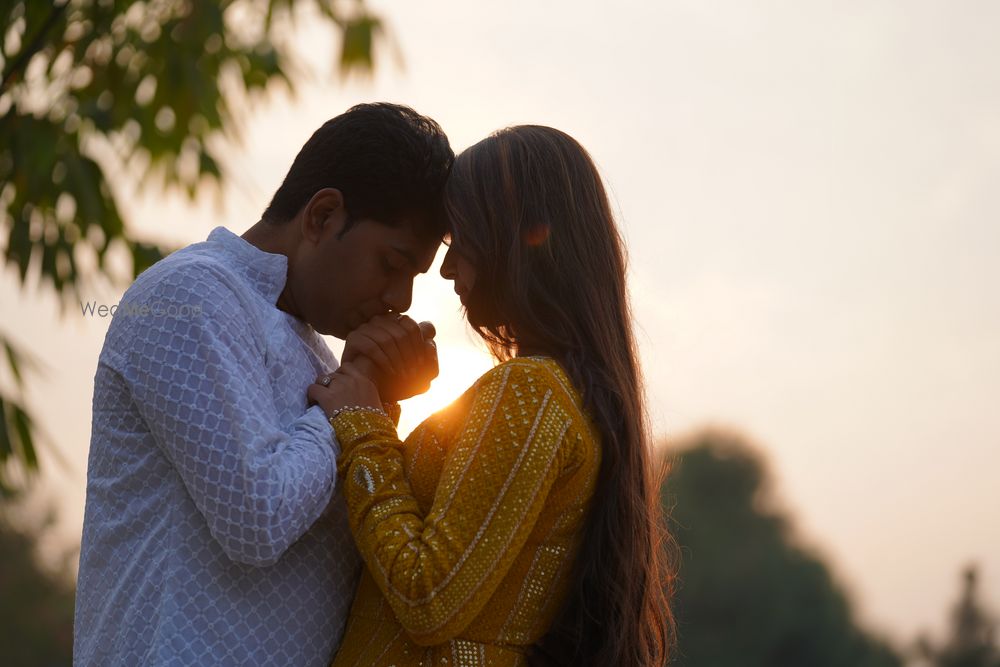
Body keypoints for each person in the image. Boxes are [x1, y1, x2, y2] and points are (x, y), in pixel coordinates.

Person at [74, 103, 452, 666]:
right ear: (323, 216)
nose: (401, 300)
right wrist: (355, 397)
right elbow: (256, 518)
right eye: (391, 264)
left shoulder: (321, 359)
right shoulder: (189, 296)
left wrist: (376, 405)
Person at [309, 125, 675, 666]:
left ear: (517, 238)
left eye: (461, 242)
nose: (448, 269)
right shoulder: (564, 394)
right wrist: (381, 402)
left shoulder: (530, 391)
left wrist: (363, 424)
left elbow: (426, 594)